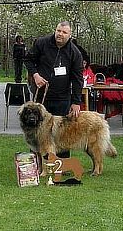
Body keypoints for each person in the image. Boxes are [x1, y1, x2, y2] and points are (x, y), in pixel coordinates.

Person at [24, 21, 84, 157]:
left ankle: (62, 165)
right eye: (58, 31)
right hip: (41, 96)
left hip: (62, 98)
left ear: (70, 35)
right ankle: (37, 163)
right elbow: (28, 60)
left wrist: (76, 102)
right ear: (55, 30)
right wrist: (35, 75)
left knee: (62, 134)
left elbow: (77, 79)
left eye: (64, 32)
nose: (60, 34)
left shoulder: (75, 53)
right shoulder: (41, 43)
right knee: (37, 130)